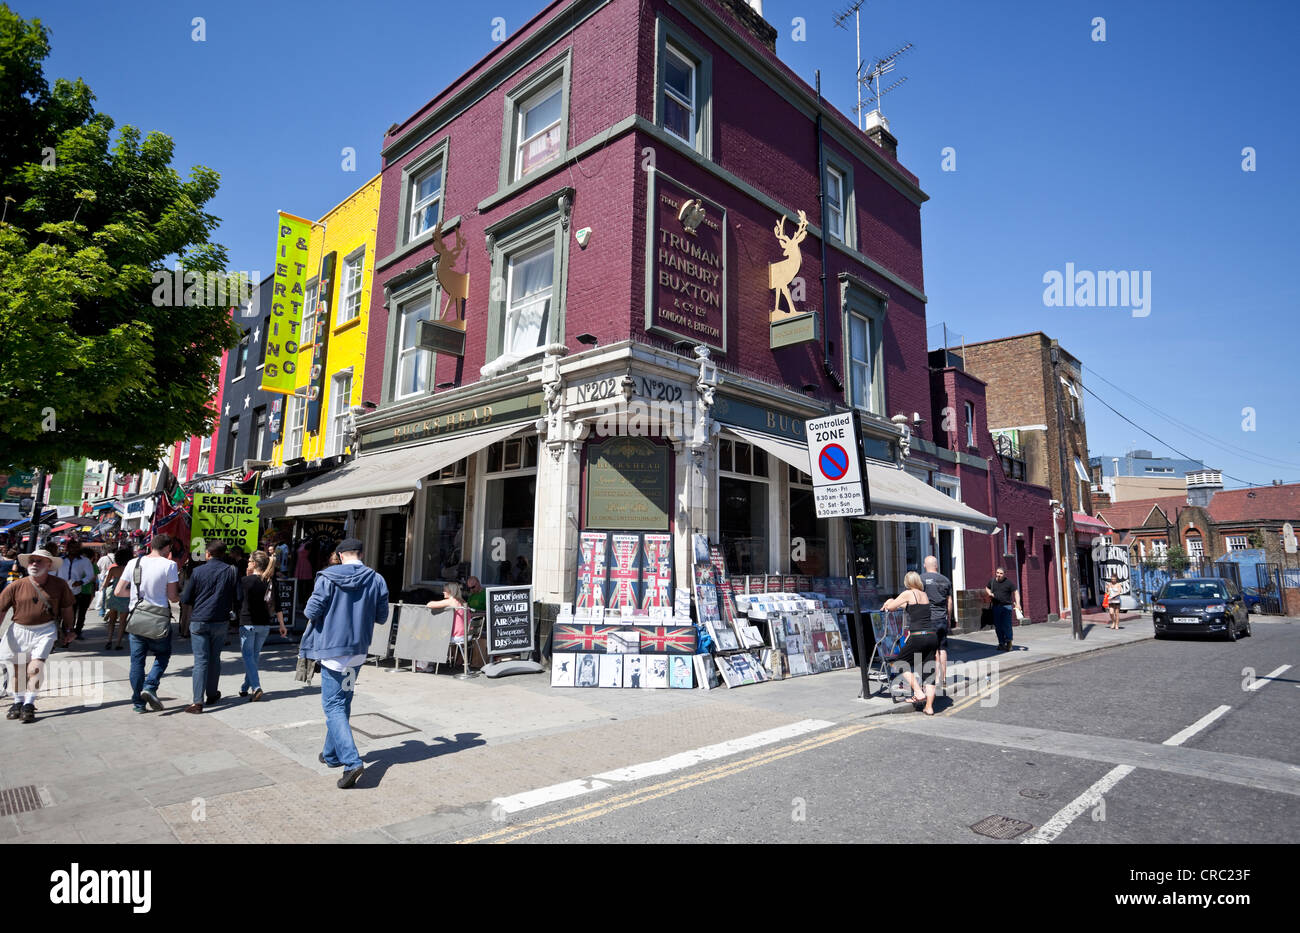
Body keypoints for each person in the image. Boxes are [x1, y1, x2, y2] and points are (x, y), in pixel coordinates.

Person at [301, 538, 390, 789]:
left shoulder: (327, 577)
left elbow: (311, 611)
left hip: (332, 650)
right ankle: (331, 754)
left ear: (340, 556)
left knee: (333, 705)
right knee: (343, 700)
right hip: (358, 651)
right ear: (361, 554)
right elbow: (382, 616)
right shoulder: (376, 579)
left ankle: (351, 761)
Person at [0, 549, 76, 722]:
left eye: (39, 561)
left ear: (49, 565)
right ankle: (18, 702)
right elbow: (1, 610)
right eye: (32, 560)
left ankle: (29, 703)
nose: (34, 564)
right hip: (19, 630)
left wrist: (70, 629)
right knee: (19, 669)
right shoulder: (16, 585)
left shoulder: (59, 584)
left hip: (45, 630)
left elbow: (67, 608)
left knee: (35, 667)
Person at [116, 534, 181, 713]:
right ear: (167, 548)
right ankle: (150, 685)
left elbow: (119, 591)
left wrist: (137, 598)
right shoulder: (170, 565)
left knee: (137, 662)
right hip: (158, 619)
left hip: (137, 617)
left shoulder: (133, 563)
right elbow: (172, 597)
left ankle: (138, 703)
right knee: (163, 654)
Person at [179, 540, 241, 713]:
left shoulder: (198, 571)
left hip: (199, 619)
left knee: (201, 660)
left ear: (208, 553)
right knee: (215, 658)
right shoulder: (232, 571)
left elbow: (185, 598)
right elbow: (239, 596)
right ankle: (212, 693)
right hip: (221, 621)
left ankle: (197, 701)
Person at [882, 571, 937, 714]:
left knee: (900, 662)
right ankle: (929, 707)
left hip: (918, 636)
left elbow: (892, 607)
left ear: (907, 582)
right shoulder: (924, 595)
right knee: (928, 672)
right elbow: (909, 607)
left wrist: (888, 602)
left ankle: (918, 692)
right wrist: (891, 602)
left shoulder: (908, 593)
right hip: (931, 635)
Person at [238, 550, 287, 701]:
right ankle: (245, 686)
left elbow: (239, 600)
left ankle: (256, 687)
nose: (247, 563)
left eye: (248, 561)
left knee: (248, 656)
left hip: (248, 623)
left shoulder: (246, 581)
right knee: (253, 656)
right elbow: (277, 605)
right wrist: (281, 624)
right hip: (264, 624)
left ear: (253, 564)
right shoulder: (270, 581)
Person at [920, 556, 954, 696]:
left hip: (928, 619)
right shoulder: (946, 580)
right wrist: (949, 618)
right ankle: (943, 679)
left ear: (924, 565)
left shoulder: (921, 579)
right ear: (936, 566)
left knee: (930, 651)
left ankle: (931, 679)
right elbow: (950, 601)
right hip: (942, 619)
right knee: (942, 649)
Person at [54, 541, 97, 640]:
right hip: (59, 591)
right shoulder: (60, 560)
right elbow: (53, 573)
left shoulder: (84, 561)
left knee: (70, 616)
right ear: (67, 548)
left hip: (75, 592)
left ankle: (66, 637)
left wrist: (81, 582)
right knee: (57, 616)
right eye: (71, 547)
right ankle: (55, 637)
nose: (73, 549)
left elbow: (90, 575)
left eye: (76, 547)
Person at [425, 582, 469, 672]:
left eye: (445, 590)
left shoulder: (451, 601)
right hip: (467, 634)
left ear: (450, 591)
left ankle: (423, 665)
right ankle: (431, 663)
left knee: (429, 637)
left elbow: (429, 604)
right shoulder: (462, 601)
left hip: (458, 636)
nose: (443, 592)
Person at [101, 547, 134, 650]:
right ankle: (118, 643)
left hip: (114, 595)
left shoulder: (113, 569)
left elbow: (105, 584)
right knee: (122, 621)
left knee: (112, 620)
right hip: (126, 596)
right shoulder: (131, 570)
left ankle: (109, 640)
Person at [984, 566, 1023, 652]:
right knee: (998, 626)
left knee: (1007, 625)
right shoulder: (992, 581)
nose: (999, 575)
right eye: (997, 573)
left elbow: (1016, 592)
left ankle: (1009, 643)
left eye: (1001, 573)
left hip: (1007, 607)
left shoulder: (1008, 583)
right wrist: (990, 593)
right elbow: (987, 587)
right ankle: (1001, 643)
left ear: (1004, 574)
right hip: (996, 607)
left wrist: (1018, 604)